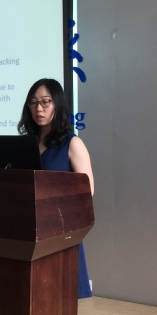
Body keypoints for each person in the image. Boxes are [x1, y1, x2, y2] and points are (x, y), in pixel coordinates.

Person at [18, 78, 94, 298]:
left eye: (45, 102)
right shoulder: (26, 143)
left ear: (57, 104)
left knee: (60, 301)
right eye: (33, 103)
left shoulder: (72, 143)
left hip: (59, 231)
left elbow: (87, 191)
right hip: (29, 231)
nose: (38, 108)